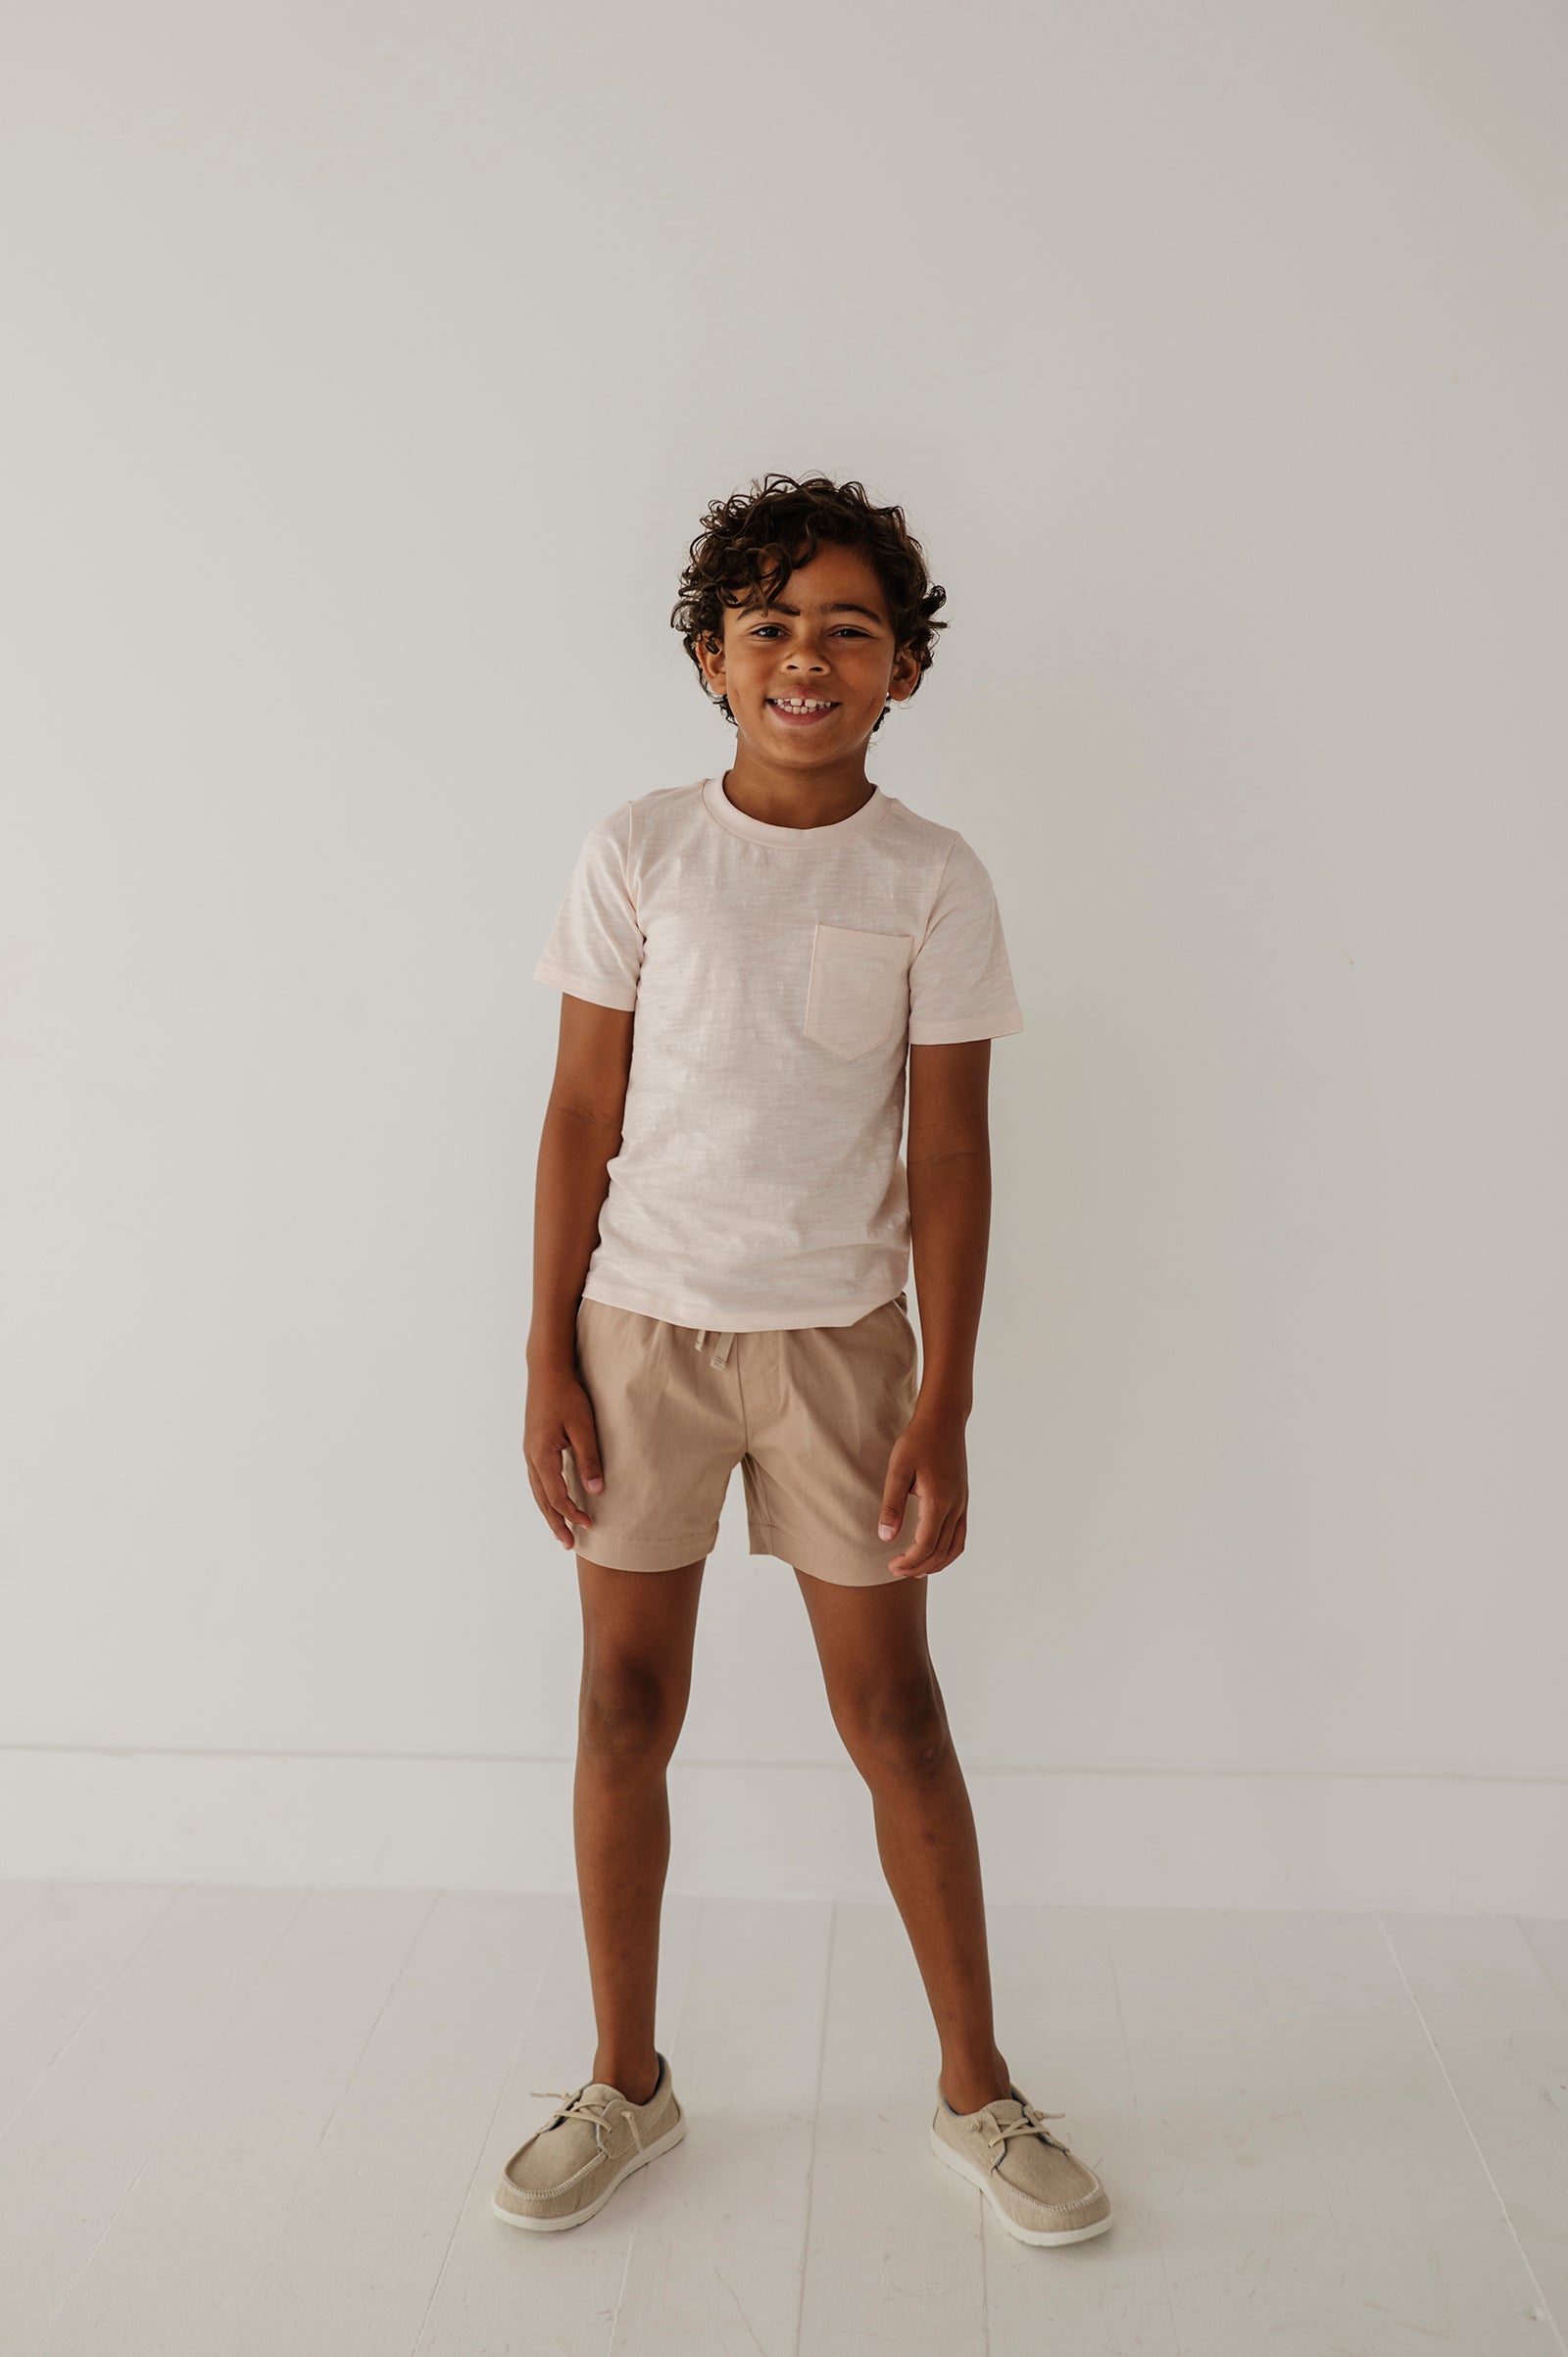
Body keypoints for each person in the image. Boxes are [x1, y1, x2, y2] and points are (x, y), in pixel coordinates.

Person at [492, 473, 1112, 2247]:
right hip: (642, 1334)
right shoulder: (641, 850)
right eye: (768, 624)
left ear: (904, 666)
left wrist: (947, 1396)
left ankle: (978, 2086)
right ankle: (626, 2078)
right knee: (624, 1704)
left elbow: (950, 1152)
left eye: (849, 627)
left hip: (844, 1349)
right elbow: (579, 1112)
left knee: (895, 1712)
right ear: (711, 658)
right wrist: (545, 1355)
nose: (806, 657)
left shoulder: (932, 877)